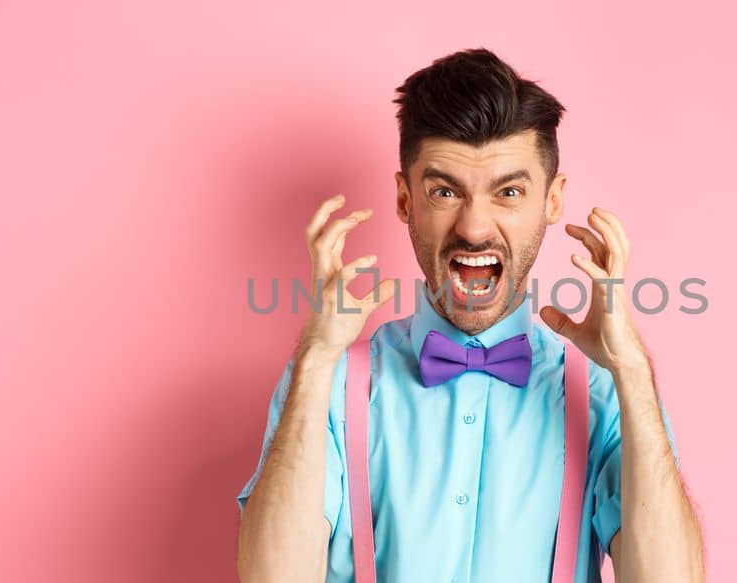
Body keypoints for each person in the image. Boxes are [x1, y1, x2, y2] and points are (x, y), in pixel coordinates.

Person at [235, 48, 705, 582]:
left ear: (552, 201)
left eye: (508, 192)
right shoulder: (330, 385)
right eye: (444, 191)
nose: (475, 227)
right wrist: (318, 357)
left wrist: (632, 373)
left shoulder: (605, 391)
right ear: (405, 199)